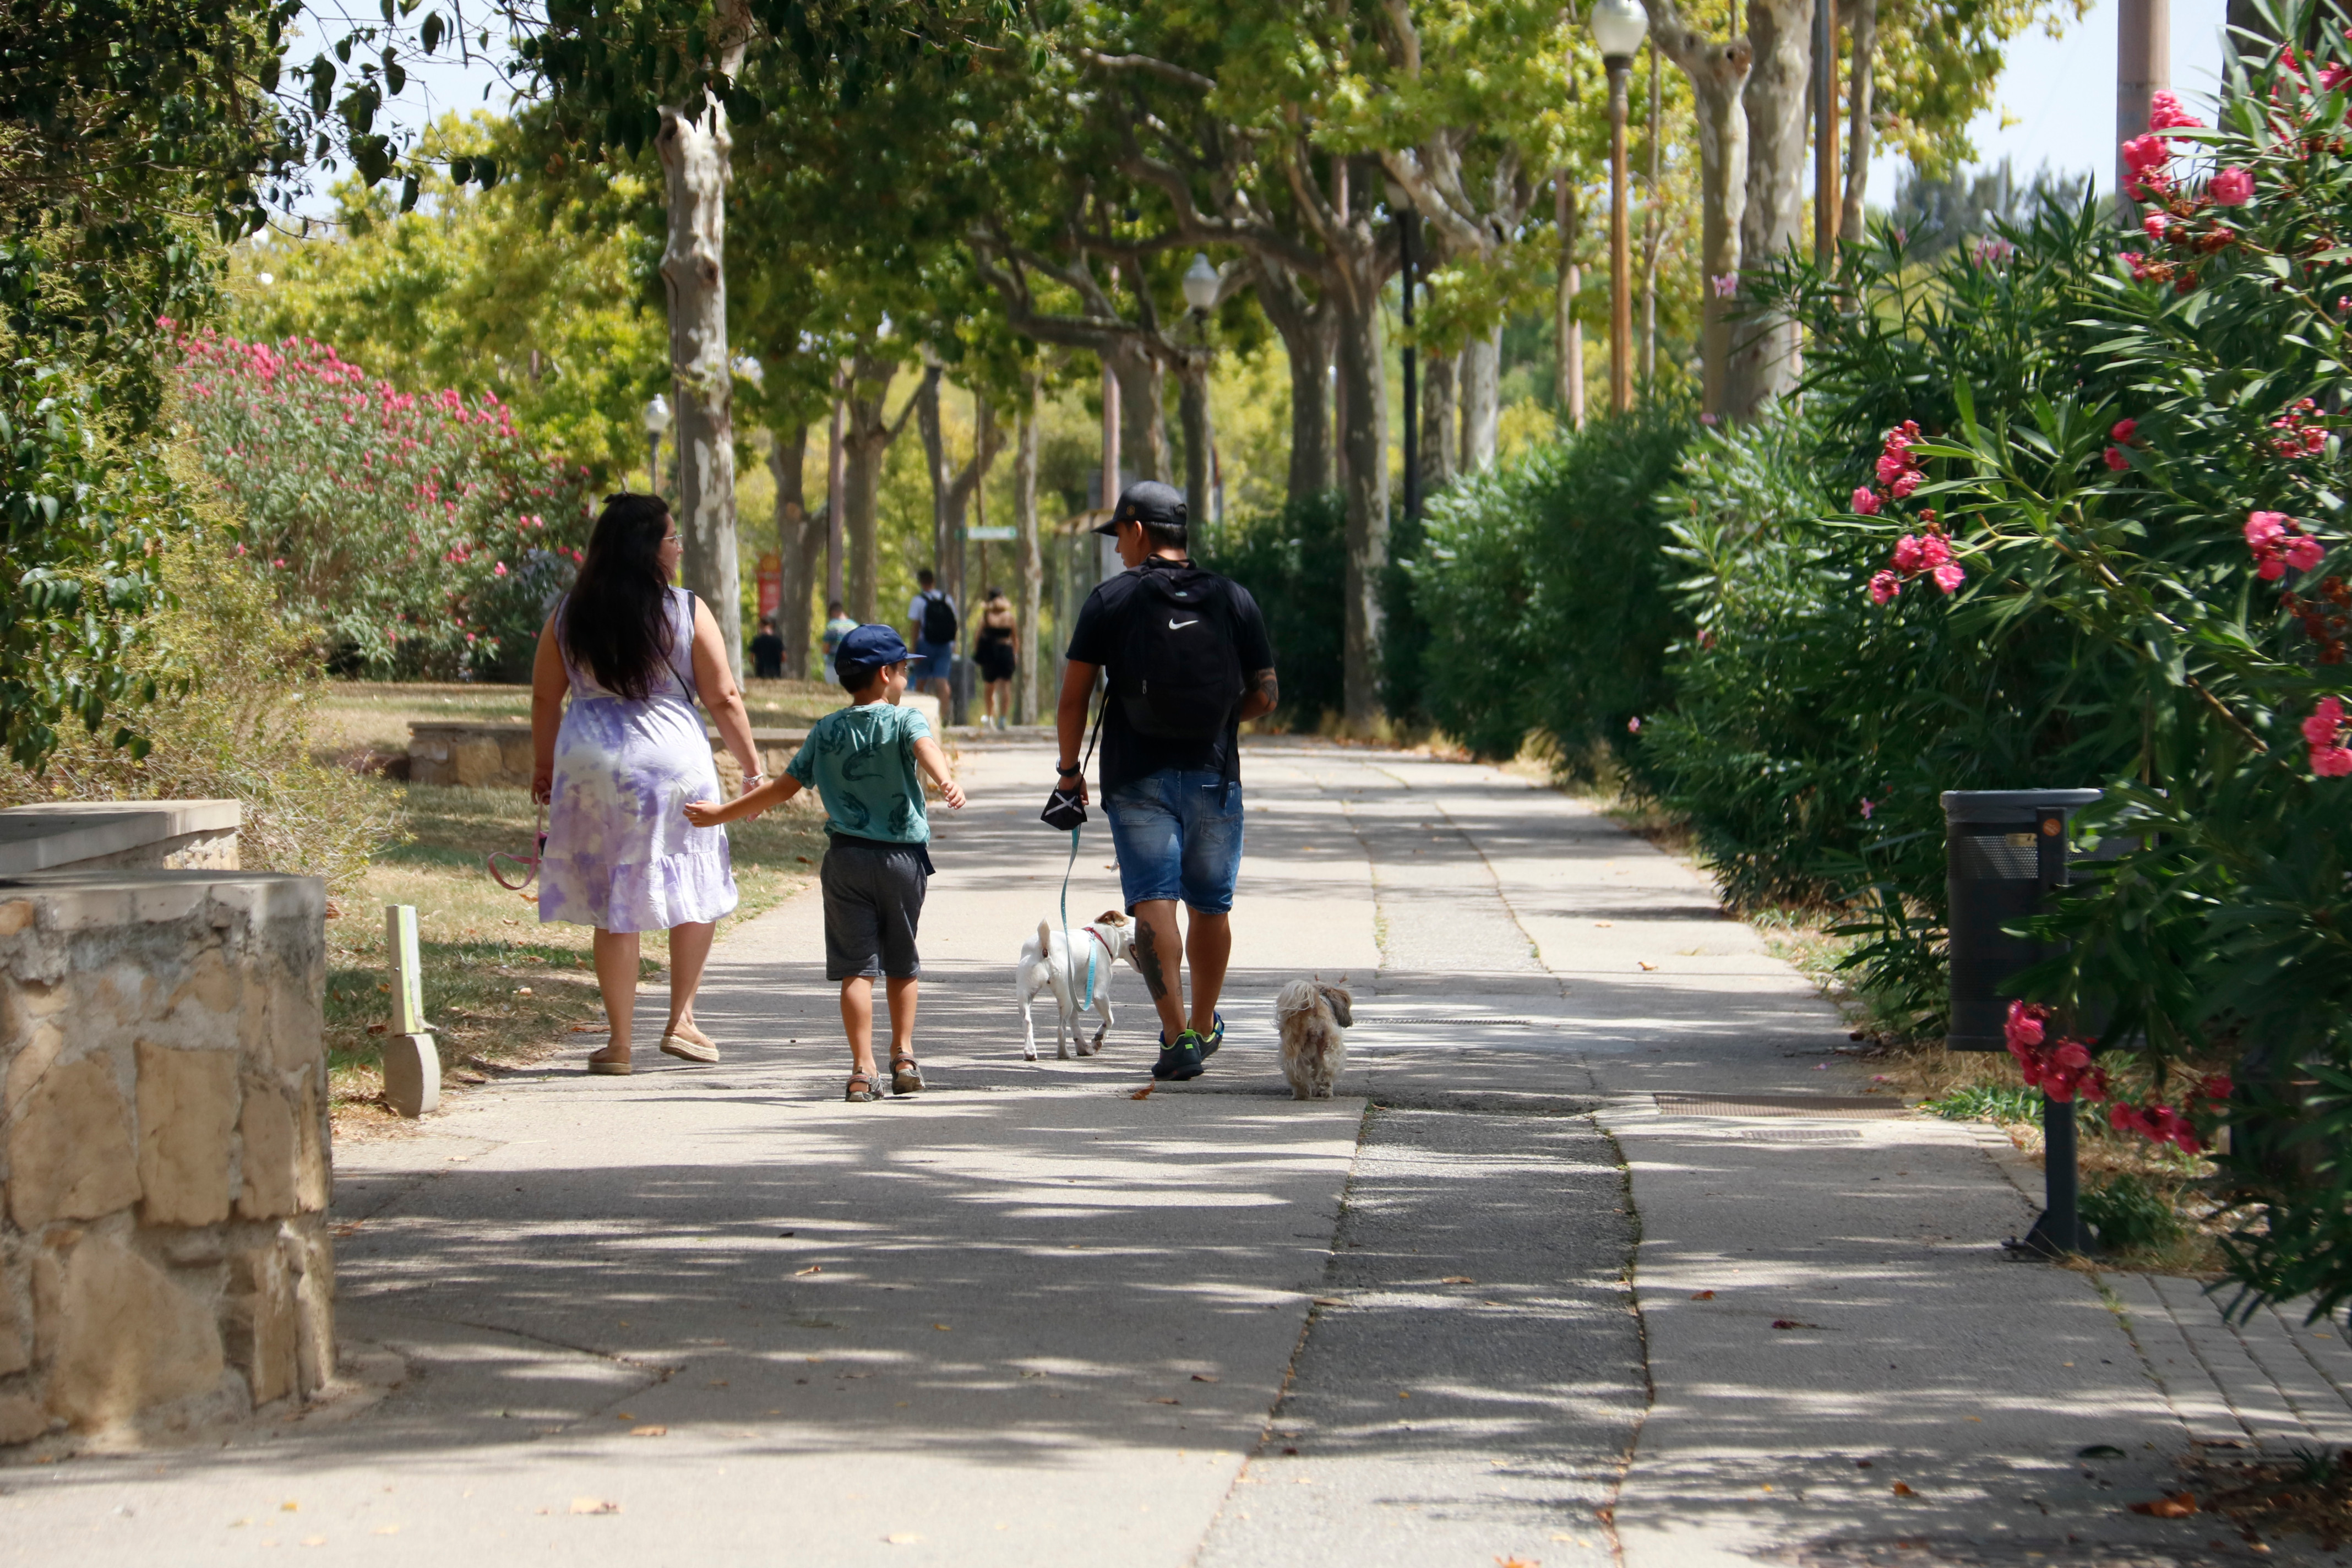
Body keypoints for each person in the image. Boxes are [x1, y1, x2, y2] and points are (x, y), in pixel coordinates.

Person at [530, 493, 764, 1075]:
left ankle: (619, 1043)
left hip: (589, 765)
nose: (678, 547)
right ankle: (681, 1018)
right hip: (670, 759)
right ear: (649, 549)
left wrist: (543, 767)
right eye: (672, 539)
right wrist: (754, 770)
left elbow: (543, 697)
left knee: (615, 902)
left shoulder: (569, 612)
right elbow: (724, 696)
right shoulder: (685, 610)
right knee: (694, 880)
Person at [1053, 480, 1277, 1082]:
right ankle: (1205, 1026)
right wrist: (1220, 717)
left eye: (1120, 535)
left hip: (1136, 779)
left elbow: (1073, 699)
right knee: (1212, 905)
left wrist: (1070, 771)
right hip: (1213, 775)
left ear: (1139, 531)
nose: (1118, 548)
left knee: (1154, 901)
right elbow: (1267, 693)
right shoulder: (1234, 598)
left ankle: (1176, 1036)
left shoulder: (1111, 600)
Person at [687, 626, 966, 1102]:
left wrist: (719, 814)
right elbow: (926, 748)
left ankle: (862, 1070)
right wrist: (944, 780)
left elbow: (782, 788)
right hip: (901, 861)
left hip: (846, 862)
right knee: (902, 961)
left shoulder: (827, 729)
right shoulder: (905, 720)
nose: (905, 680)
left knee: (857, 967)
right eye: (903, 671)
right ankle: (904, 1056)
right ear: (886, 674)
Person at [907, 569, 957, 707]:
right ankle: (942, 718)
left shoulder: (918, 600)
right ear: (933, 581)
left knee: (921, 681)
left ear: (921, 582)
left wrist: (913, 649)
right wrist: (953, 644)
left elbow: (916, 626)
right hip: (945, 645)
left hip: (925, 645)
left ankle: (920, 714)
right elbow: (954, 623)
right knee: (942, 681)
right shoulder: (947, 599)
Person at [972, 586, 1017, 729]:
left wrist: (978, 654)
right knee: (1005, 686)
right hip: (1006, 651)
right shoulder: (1009, 617)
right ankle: (1003, 719)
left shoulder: (986, 617)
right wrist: (1014, 655)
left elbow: (977, 638)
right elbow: (1015, 639)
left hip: (990, 654)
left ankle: (990, 717)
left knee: (989, 686)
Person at [820, 600, 857, 685]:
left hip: (834, 666)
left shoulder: (832, 626)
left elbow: (826, 648)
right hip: (851, 666)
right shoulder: (854, 626)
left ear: (833, 613)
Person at [750, 614, 786, 679]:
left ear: (761, 626)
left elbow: (752, 658)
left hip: (761, 672)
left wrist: (756, 665)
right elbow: (784, 657)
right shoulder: (778, 640)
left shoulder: (757, 640)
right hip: (775, 673)